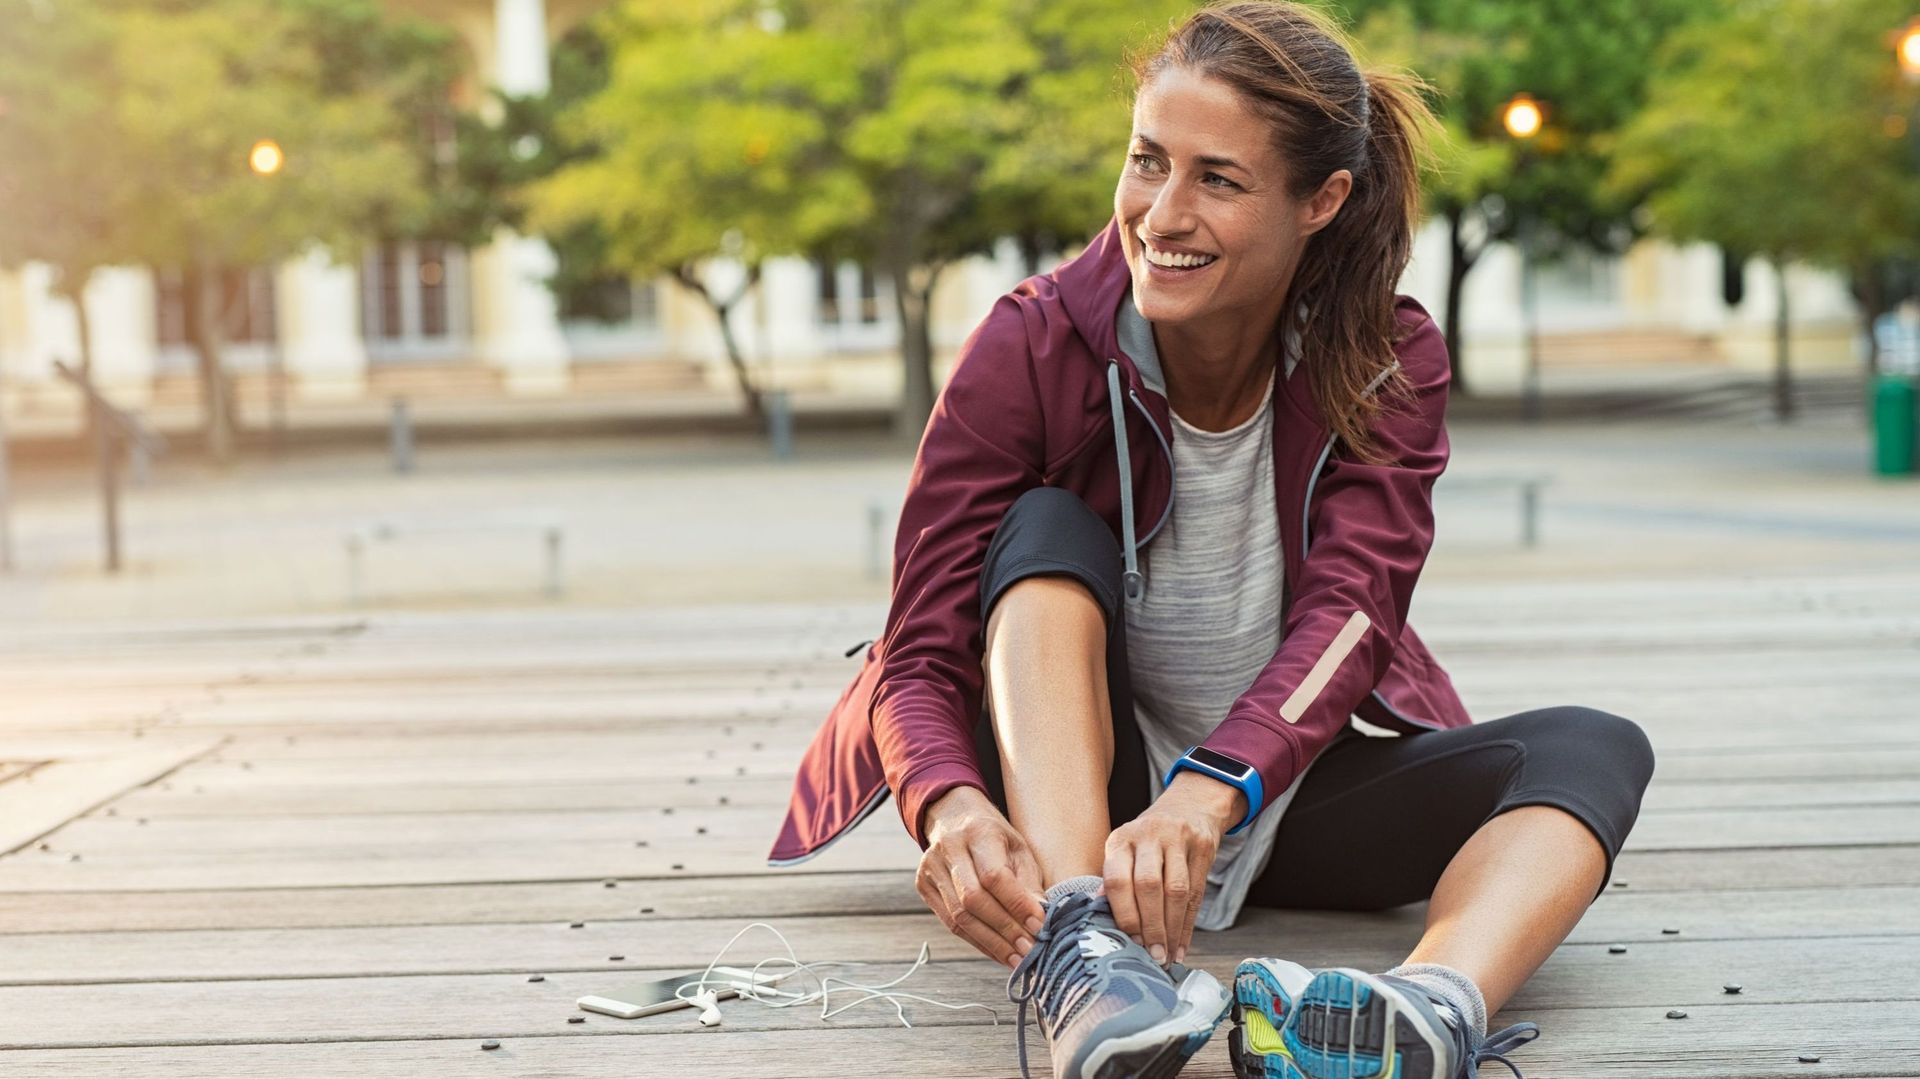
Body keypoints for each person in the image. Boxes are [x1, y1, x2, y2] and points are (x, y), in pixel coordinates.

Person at [768, 3, 1656, 1077]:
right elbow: (916, 647)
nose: (1162, 214)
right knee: (1044, 528)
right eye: (1148, 162)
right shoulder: (1032, 340)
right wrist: (947, 799)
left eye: (1217, 180)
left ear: (1320, 201)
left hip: (1275, 792)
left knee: (1593, 745)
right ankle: (1084, 951)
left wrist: (1214, 787)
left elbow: (1354, 616)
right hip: (1086, 813)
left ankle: (1430, 1011)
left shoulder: (1386, 356)